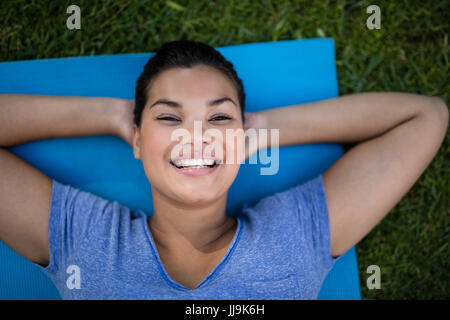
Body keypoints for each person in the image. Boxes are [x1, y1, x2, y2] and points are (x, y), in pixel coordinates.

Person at [0, 40, 447, 299]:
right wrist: (114, 117)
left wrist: (260, 130)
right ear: (138, 139)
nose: (197, 137)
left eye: (218, 118)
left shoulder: (295, 235)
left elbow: (425, 117)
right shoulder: (85, 239)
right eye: (170, 118)